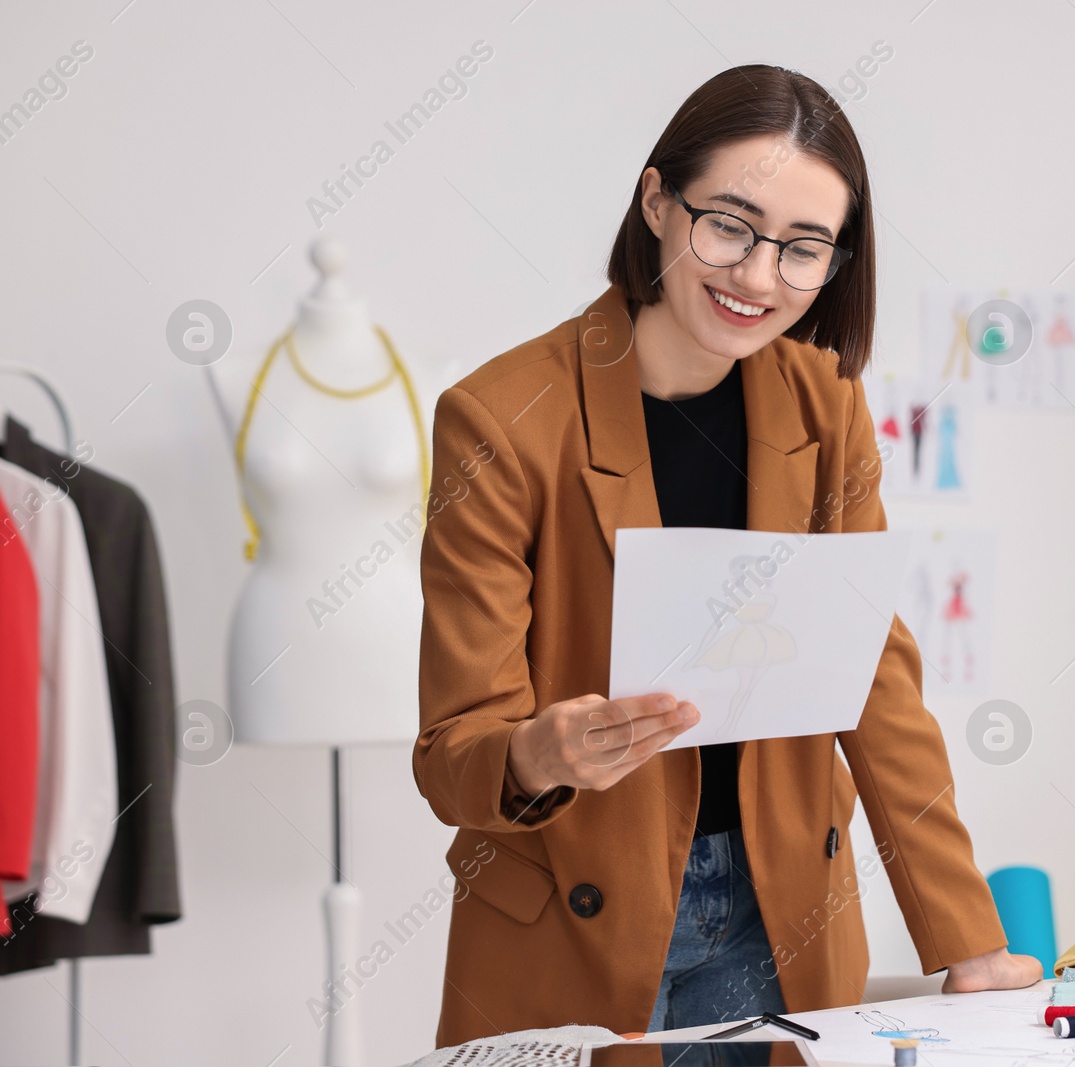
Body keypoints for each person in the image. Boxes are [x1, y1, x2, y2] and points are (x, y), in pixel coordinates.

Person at [414, 62, 1040, 1049]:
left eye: (802, 249)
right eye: (731, 226)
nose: (757, 277)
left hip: (781, 902)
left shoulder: (825, 405)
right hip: (567, 913)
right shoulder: (501, 418)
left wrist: (964, 934)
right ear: (658, 202)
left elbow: (872, 679)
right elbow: (451, 754)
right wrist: (539, 750)